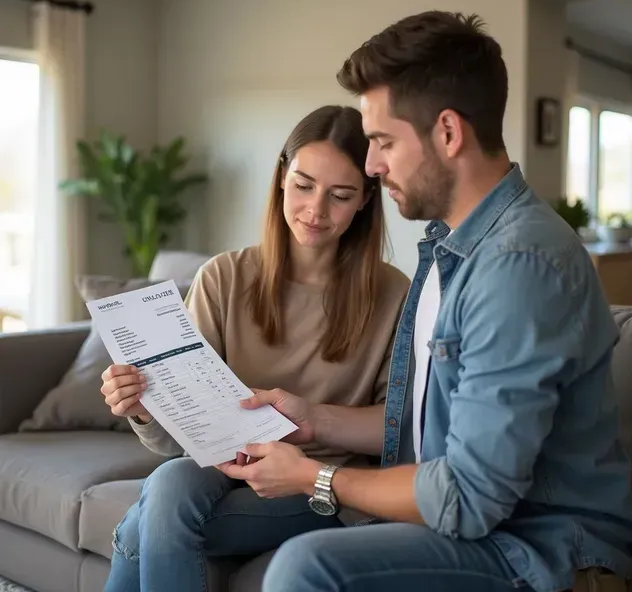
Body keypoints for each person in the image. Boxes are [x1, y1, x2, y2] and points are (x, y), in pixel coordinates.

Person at [217, 12, 632, 592]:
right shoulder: (447, 250)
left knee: (306, 566)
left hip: (543, 549)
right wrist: (311, 418)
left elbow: (468, 497)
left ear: (447, 132)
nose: (371, 166)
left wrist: (316, 478)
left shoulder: (518, 264)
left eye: (383, 141)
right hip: (482, 532)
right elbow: (420, 433)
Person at [99, 104, 410, 592]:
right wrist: (143, 408)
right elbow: (176, 442)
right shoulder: (223, 278)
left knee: (143, 526)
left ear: (366, 201)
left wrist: (315, 419)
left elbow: (399, 427)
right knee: (170, 482)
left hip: (321, 483)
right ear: (282, 178)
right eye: (304, 185)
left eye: (340, 195)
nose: (315, 210)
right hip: (225, 470)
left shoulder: (394, 296)